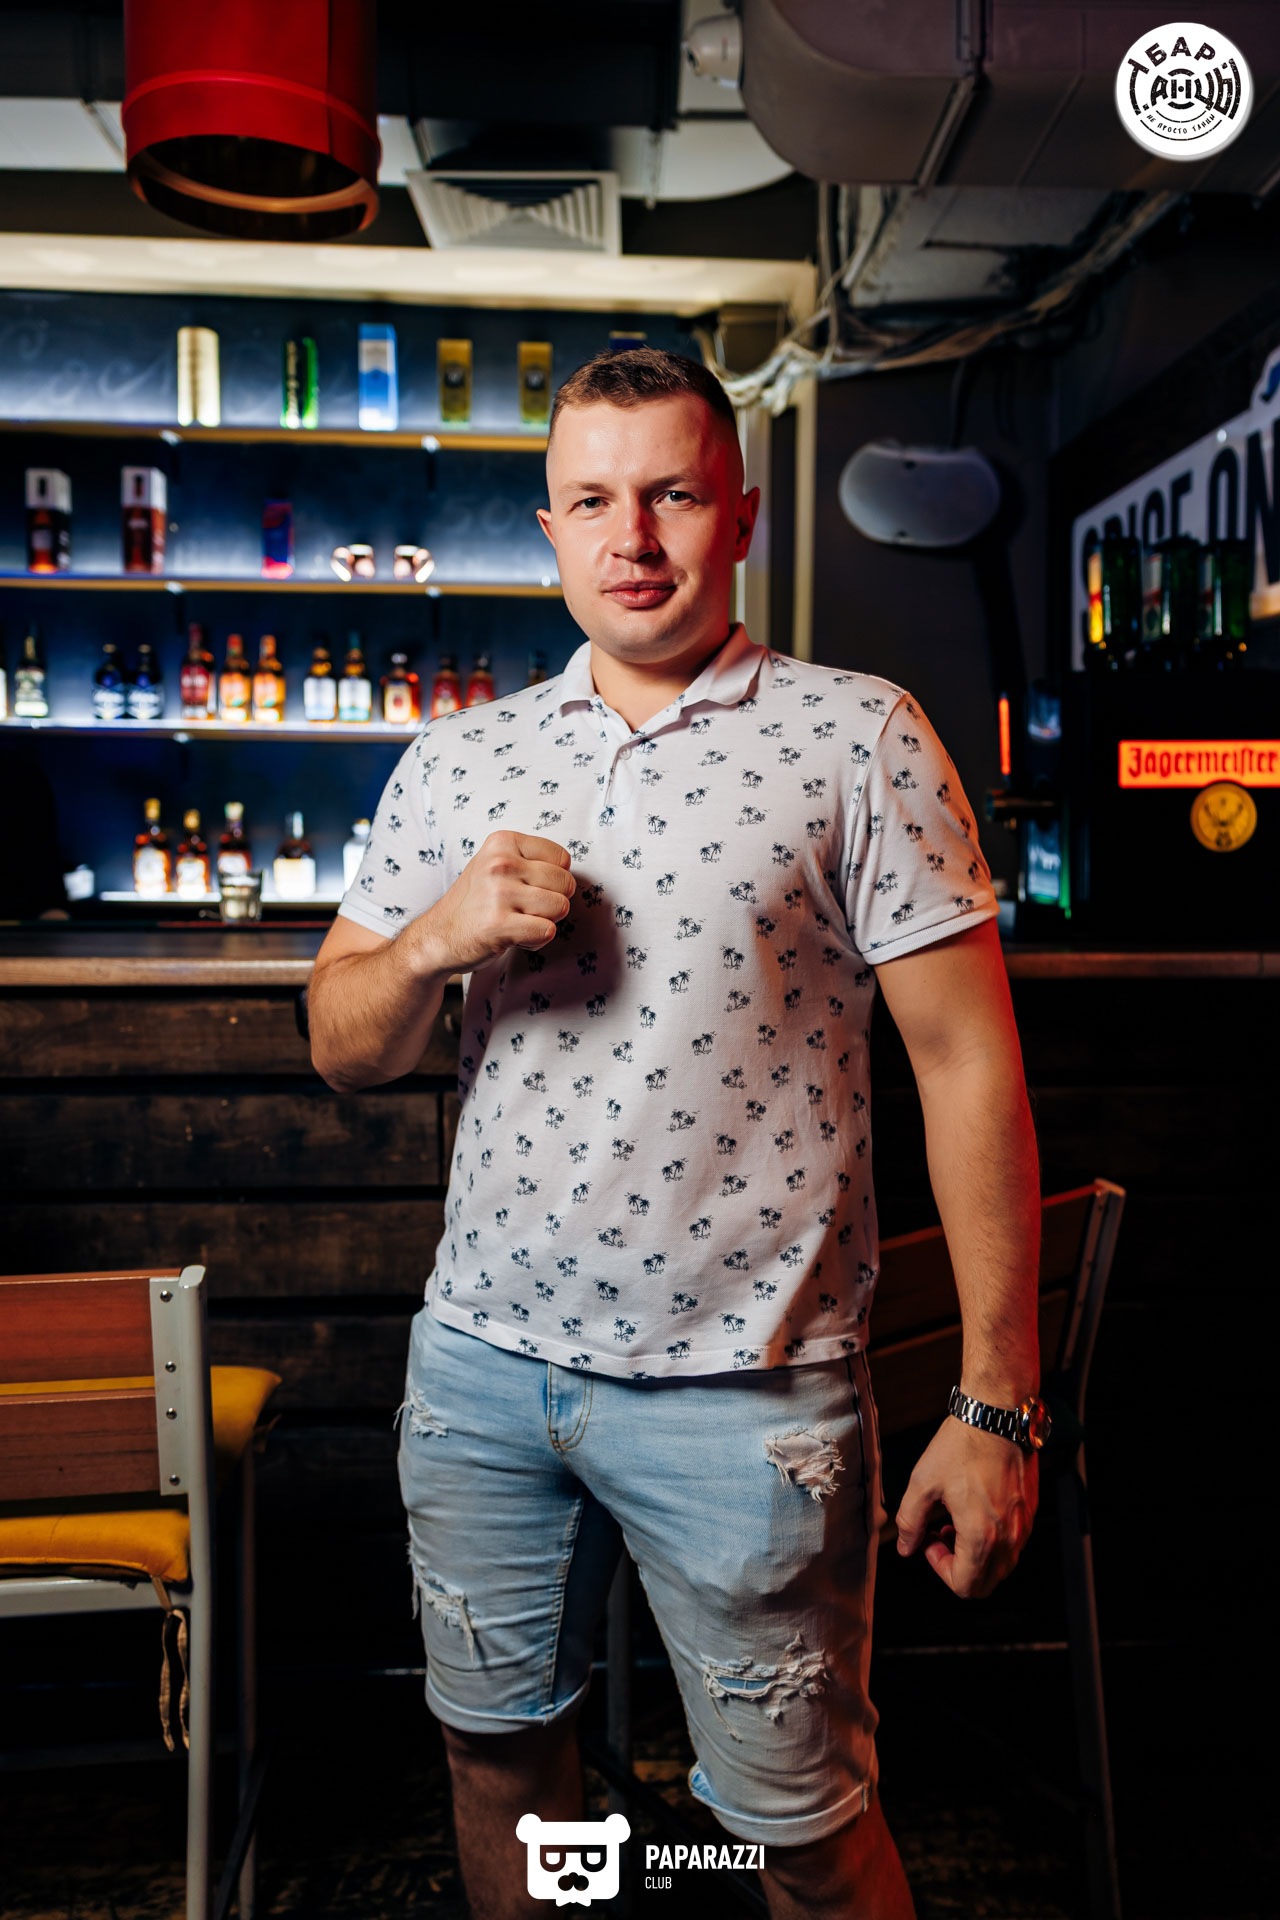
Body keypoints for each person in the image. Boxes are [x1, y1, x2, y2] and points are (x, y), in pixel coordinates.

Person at [308, 347, 1044, 1920]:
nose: (632, 537)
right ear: (550, 528)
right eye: (592, 501)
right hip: (485, 1377)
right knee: (501, 1775)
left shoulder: (859, 736)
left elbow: (969, 1068)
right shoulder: (462, 759)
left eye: (673, 496)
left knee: (800, 1839)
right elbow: (342, 1044)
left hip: (750, 1394)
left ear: (742, 516)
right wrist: (434, 938)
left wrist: (997, 1404)